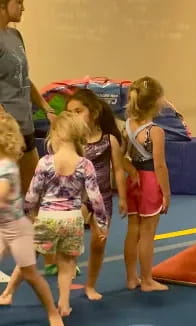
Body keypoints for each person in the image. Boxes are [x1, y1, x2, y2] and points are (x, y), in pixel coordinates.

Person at [0, 112, 108, 316]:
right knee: (67, 264)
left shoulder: (46, 162)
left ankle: (7, 293)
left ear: (56, 136)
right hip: (72, 219)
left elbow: (32, 193)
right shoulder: (85, 165)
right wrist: (102, 223)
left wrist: (26, 213)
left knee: (29, 258)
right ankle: (64, 303)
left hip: (48, 217)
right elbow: (96, 199)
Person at [0, 108, 63, 326]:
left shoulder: (7, 167)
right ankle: (7, 294)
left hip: (18, 229)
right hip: (2, 228)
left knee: (30, 275)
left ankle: (52, 312)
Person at [65, 89, 127, 300]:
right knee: (70, 239)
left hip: (103, 198)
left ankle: (90, 285)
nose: (73, 116)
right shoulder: (71, 141)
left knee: (99, 243)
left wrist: (124, 198)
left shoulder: (110, 140)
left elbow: (118, 169)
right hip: (78, 197)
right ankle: (66, 271)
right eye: (70, 112)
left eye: (78, 111)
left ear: (93, 112)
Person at [0, 0, 56, 193]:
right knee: (6, 195)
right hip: (6, 131)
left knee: (33, 191)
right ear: (2, 5)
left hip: (25, 125)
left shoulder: (15, 35)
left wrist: (45, 107)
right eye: (19, 2)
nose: (23, 8)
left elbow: (24, 78)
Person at [123, 76, 170, 292]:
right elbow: (160, 165)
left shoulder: (127, 126)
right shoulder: (155, 131)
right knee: (148, 233)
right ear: (156, 102)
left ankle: (132, 278)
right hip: (150, 180)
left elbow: (121, 157)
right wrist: (167, 193)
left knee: (133, 230)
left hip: (133, 181)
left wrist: (131, 171)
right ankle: (148, 280)